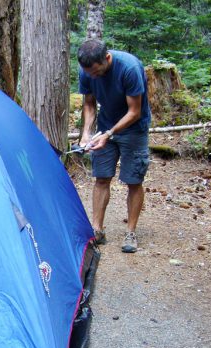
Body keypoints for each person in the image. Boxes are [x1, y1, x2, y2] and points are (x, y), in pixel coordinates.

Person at [77, 39, 151, 253]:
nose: (93, 76)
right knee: (101, 177)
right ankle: (97, 230)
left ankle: (131, 232)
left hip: (134, 129)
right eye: (89, 73)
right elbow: (89, 104)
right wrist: (87, 134)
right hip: (106, 126)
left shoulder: (129, 68)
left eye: (97, 72)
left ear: (107, 58)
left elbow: (134, 111)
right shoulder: (87, 71)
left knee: (133, 179)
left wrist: (109, 134)